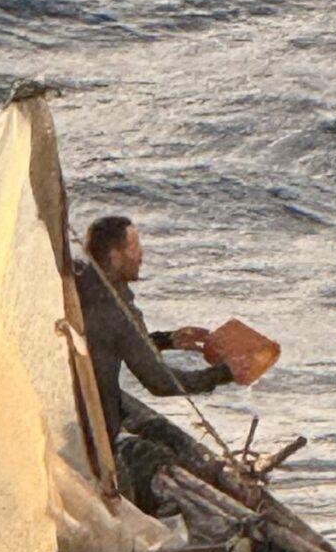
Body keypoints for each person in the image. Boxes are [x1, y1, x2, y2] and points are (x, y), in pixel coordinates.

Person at [75, 215, 235, 508]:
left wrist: (167, 340)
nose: (141, 255)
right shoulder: (115, 309)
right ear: (114, 255)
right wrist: (224, 374)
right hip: (94, 435)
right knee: (122, 497)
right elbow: (160, 383)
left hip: (68, 415)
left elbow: (110, 340)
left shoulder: (77, 284)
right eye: (134, 247)